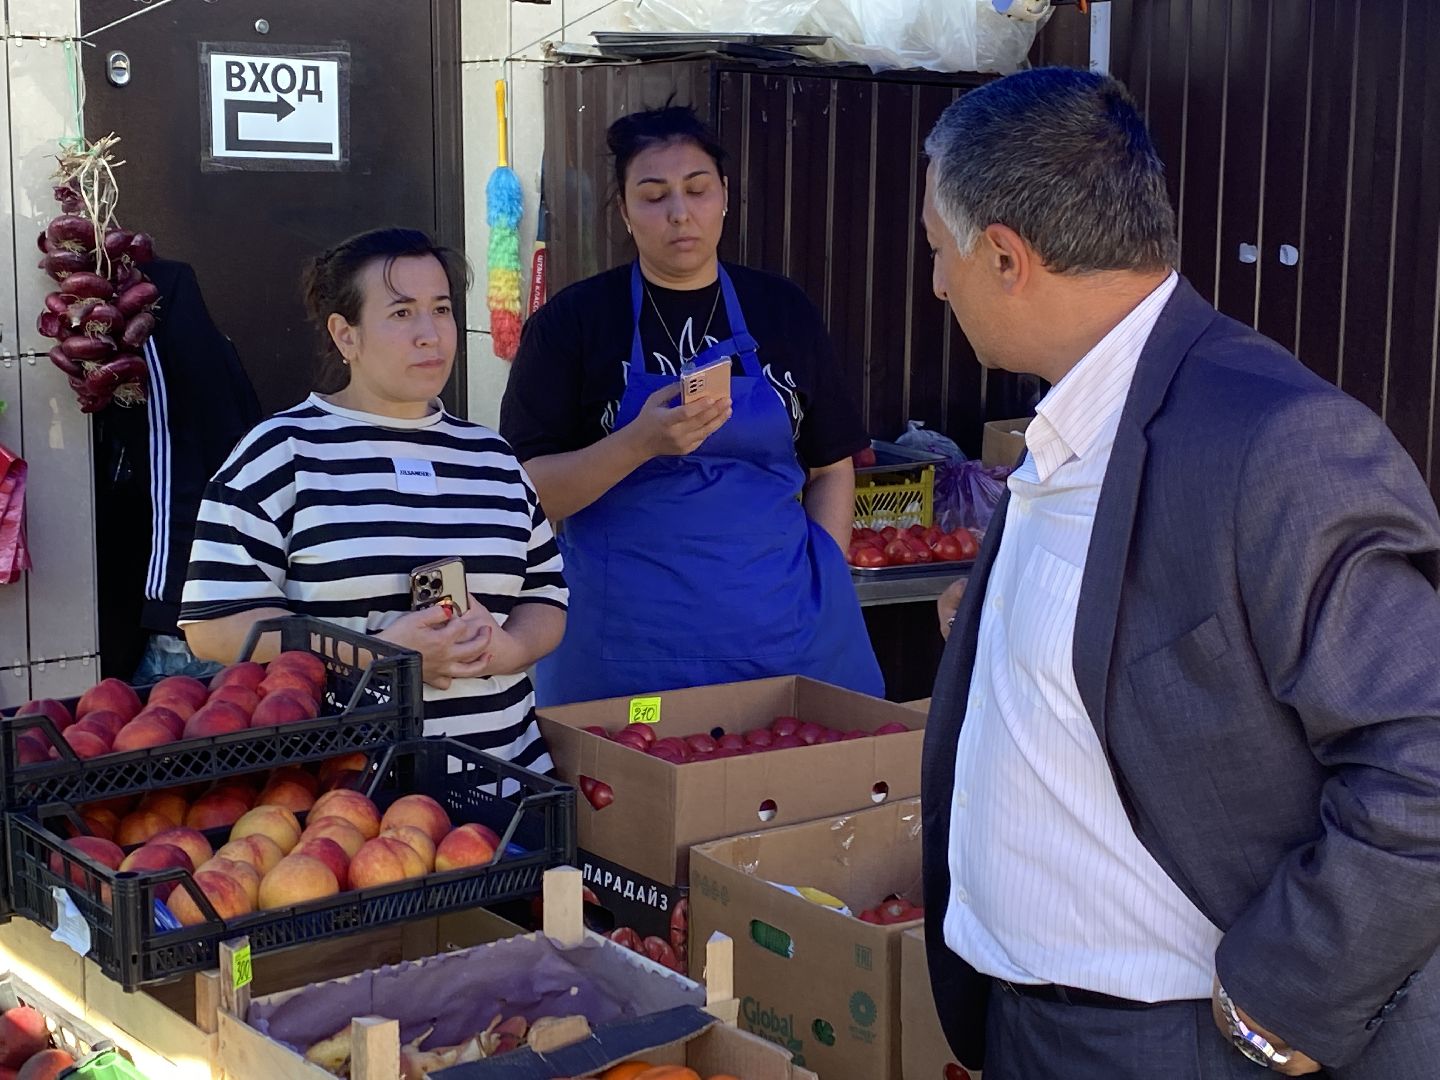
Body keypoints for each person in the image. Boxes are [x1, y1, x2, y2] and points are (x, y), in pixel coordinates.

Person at [919, 67, 1440, 1080]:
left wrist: (1284, 1001)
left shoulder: (1277, 442)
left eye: (939, 251)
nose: (937, 284)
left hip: (1184, 1041)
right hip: (1024, 1022)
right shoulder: (1076, 417)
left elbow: (1421, 762)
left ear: (1006, 257)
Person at [500, 105, 882, 706]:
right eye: (654, 196)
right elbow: (526, 495)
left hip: (787, 639)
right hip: (625, 649)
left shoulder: (783, 310)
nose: (680, 213)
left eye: (697, 189)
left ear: (724, 195)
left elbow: (831, 465)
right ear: (624, 211)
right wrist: (638, 444)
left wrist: (824, 573)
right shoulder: (572, 323)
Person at [180, 228, 567, 772]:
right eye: (402, 313)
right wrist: (376, 652)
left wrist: (512, 649)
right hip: (342, 796)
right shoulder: (280, 454)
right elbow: (213, 626)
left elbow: (546, 596)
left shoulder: (493, 458)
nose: (430, 334)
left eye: (441, 309)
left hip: (509, 784)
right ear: (346, 336)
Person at [93, 258, 260, 682]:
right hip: (166, 606)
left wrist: (169, 603)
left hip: (169, 626)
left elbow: (175, 451)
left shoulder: (148, 297)